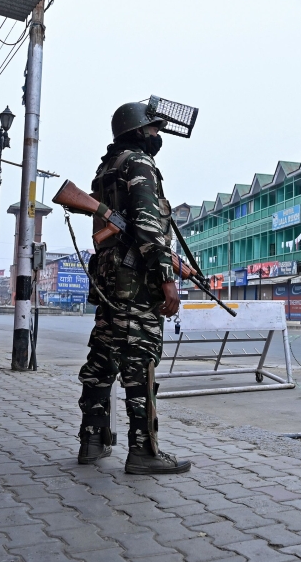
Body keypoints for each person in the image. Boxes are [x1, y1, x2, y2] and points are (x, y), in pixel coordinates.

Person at [77, 102, 189, 474]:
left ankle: (92, 441)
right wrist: (166, 278)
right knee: (139, 365)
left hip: (110, 281)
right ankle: (144, 451)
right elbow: (147, 224)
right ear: (138, 130)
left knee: (101, 360)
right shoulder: (139, 163)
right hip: (135, 283)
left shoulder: (106, 168)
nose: (158, 136)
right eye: (153, 130)